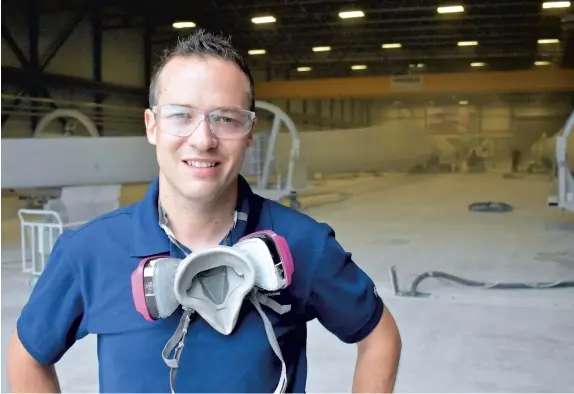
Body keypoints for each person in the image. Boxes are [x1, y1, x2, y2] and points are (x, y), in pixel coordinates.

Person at [6, 30, 402, 393]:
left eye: (225, 118)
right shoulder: (88, 252)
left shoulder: (302, 244)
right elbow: (27, 357)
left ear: (249, 132)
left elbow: (379, 336)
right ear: (152, 126)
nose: (203, 139)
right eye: (181, 115)